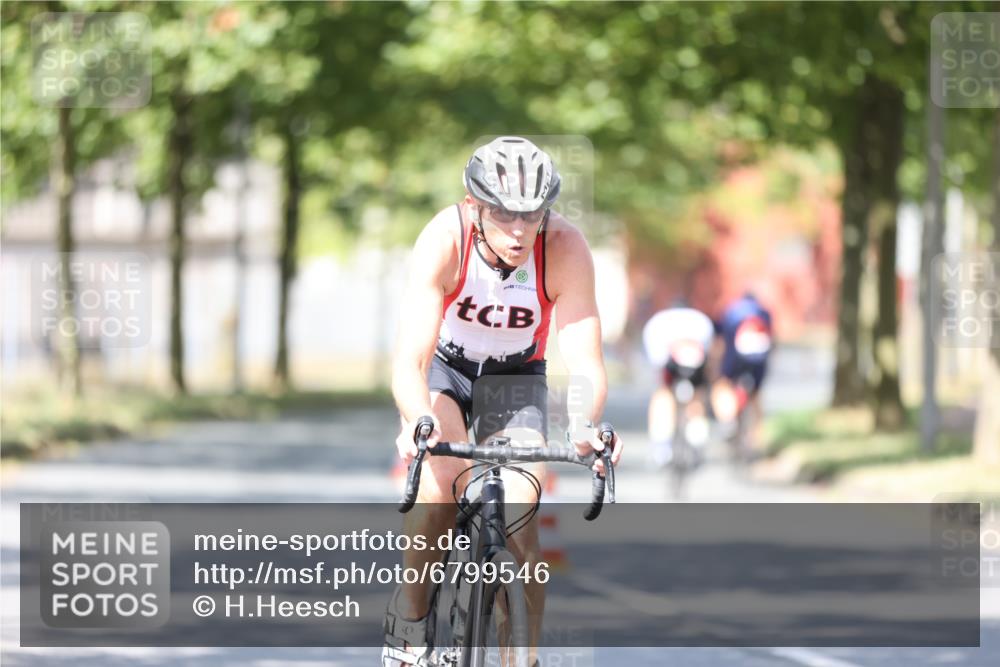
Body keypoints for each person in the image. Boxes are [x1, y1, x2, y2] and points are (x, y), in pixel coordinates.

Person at [385, 136, 623, 666]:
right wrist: (418, 418)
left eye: (532, 213)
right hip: (448, 370)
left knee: (521, 522)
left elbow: (585, 360)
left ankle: (525, 660)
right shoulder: (445, 239)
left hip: (516, 378)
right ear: (474, 206)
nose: (519, 229)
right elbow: (410, 361)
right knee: (438, 490)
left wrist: (585, 425)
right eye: (503, 213)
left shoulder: (564, 247)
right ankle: (411, 623)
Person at [642, 300, 715, 467]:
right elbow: (708, 352)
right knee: (697, 397)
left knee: (664, 393)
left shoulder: (659, 320)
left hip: (672, 362)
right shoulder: (700, 319)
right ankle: (698, 436)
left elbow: (656, 360)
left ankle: (661, 443)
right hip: (697, 361)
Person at [711, 291, 773, 449]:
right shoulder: (764, 313)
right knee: (755, 396)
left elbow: (722, 339)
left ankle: (727, 420)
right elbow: (772, 339)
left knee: (723, 385)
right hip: (759, 358)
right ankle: (757, 438)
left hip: (735, 356)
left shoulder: (732, 311)